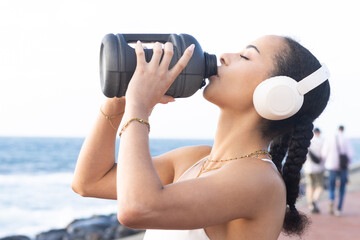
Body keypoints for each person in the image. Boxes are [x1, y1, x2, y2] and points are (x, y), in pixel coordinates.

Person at [72, 35, 330, 239]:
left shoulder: (261, 181)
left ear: (277, 95)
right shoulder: (193, 159)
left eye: (245, 56)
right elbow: (89, 182)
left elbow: (137, 208)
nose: (225, 57)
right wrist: (116, 105)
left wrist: (138, 108)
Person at [323, 125, 354, 216]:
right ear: (343, 130)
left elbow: (324, 154)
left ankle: (331, 199)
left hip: (331, 166)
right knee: (342, 187)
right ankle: (339, 209)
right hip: (343, 167)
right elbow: (350, 154)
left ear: (337, 130)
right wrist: (346, 163)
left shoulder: (329, 138)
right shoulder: (346, 139)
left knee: (331, 185)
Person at [303, 128, 325, 214]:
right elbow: (324, 154)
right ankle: (314, 200)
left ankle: (311, 206)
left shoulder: (309, 141)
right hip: (319, 168)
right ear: (319, 132)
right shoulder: (322, 141)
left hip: (307, 168)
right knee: (320, 186)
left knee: (310, 187)